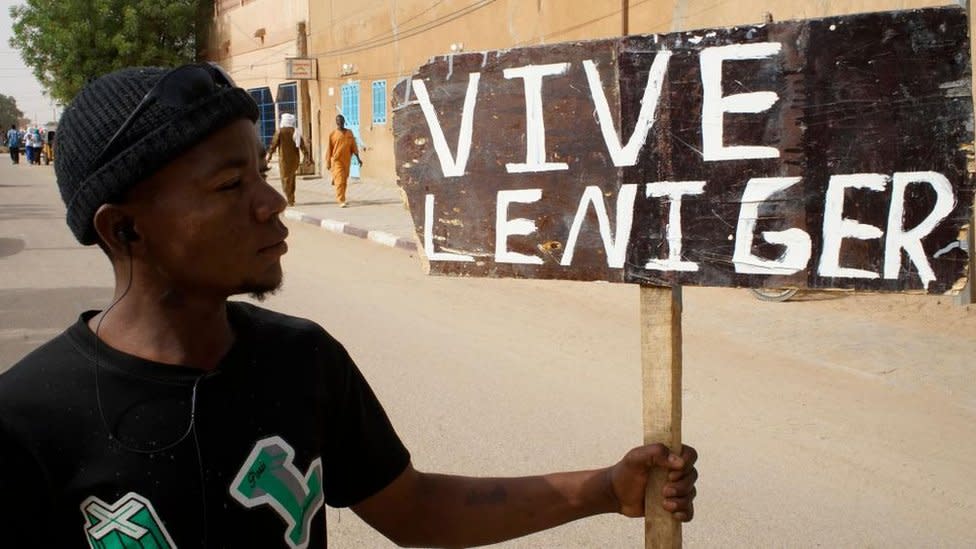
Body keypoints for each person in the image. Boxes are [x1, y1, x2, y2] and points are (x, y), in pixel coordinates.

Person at [0, 64, 698, 547]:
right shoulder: (29, 420)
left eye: (263, 172)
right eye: (229, 183)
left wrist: (606, 487)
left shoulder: (301, 360)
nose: (271, 202)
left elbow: (415, 507)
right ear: (125, 229)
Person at [266, 112, 307, 207]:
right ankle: (291, 198)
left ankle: (289, 199)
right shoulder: (295, 131)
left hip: (284, 160)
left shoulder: (280, 131)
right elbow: (302, 145)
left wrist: (269, 155)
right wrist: (306, 156)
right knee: (292, 179)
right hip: (295, 159)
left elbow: (273, 144)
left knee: (285, 179)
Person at [327, 114, 362, 208]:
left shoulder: (349, 133)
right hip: (337, 160)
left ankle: (337, 183)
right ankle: (341, 200)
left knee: (344, 180)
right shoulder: (333, 134)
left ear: (344, 121)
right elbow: (329, 149)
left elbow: (353, 146)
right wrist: (328, 162)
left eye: (341, 120)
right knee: (340, 180)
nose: (340, 122)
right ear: (336, 122)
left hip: (346, 160)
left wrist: (358, 158)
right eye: (338, 121)